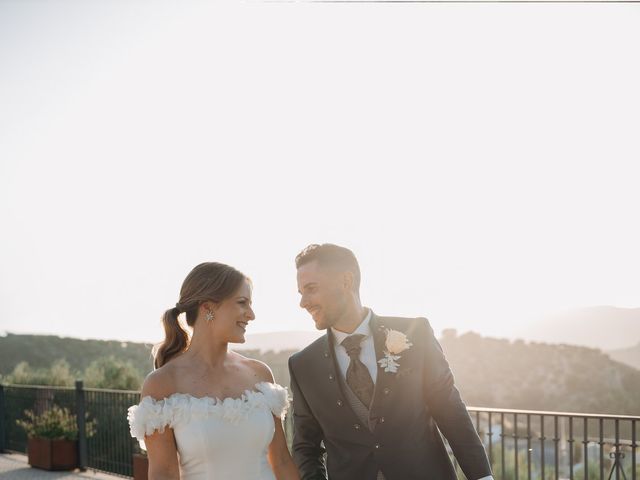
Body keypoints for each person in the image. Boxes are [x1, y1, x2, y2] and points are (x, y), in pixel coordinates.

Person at [288, 244, 494, 480]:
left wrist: (482, 477)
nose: (303, 302)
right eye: (301, 293)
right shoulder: (303, 365)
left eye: (311, 289)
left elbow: (450, 410)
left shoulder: (415, 334)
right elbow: (306, 447)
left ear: (346, 281)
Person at [127, 262, 300, 480]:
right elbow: (164, 473)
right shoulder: (162, 383)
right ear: (208, 308)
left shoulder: (260, 374)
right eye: (242, 303)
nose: (251, 314)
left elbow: (282, 462)